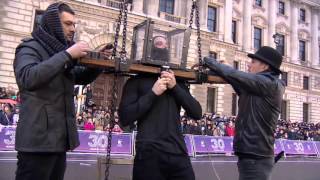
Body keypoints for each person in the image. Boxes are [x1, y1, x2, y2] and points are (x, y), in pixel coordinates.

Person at [13, 3, 102, 180]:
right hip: (36, 143)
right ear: (53, 23)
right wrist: (68, 55)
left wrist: (98, 62)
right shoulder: (30, 47)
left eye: (74, 24)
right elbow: (27, 77)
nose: (73, 29)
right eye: (68, 24)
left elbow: (79, 77)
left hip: (58, 141)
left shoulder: (58, 52)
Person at [204, 46, 285, 180]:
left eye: (253, 62)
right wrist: (224, 69)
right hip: (253, 155)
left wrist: (209, 61)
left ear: (264, 66)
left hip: (256, 157)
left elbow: (236, 75)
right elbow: (236, 79)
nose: (249, 64)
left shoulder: (269, 84)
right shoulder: (260, 86)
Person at [119, 70, 202, 180]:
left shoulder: (178, 82)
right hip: (148, 154)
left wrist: (175, 87)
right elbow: (125, 117)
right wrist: (153, 93)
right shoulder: (136, 81)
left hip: (177, 152)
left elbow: (197, 113)